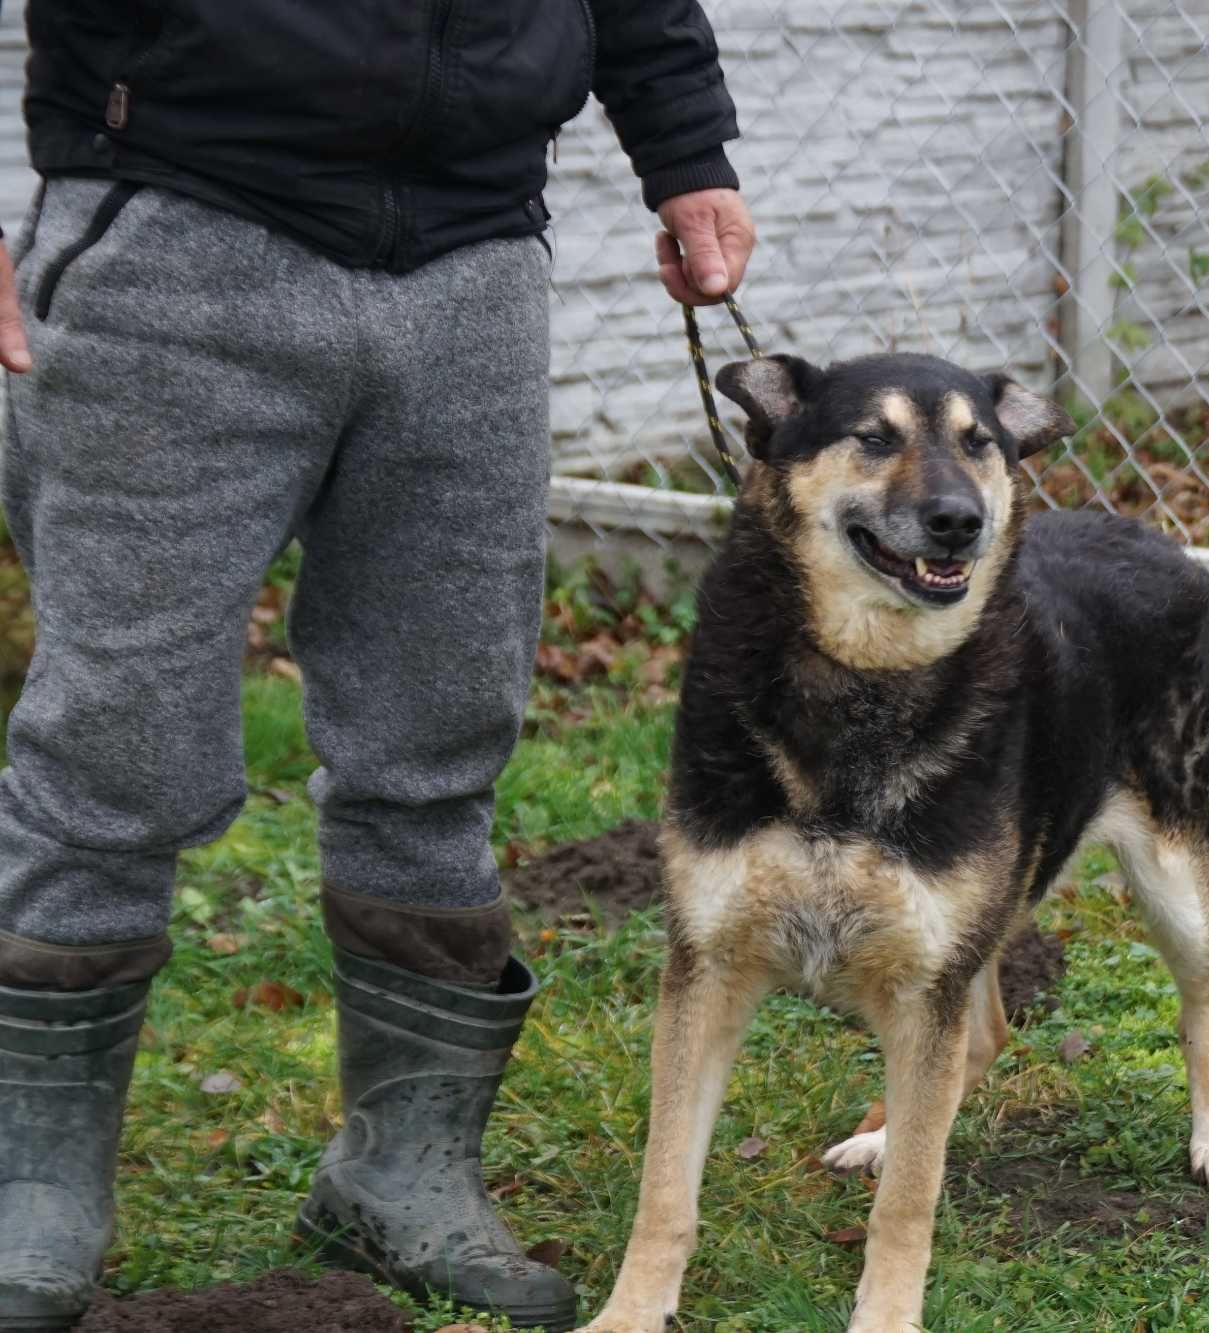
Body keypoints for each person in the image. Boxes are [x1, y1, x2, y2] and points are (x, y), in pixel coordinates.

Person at [0, 4, 755, 1330]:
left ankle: (401, 1174)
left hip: (473, 255)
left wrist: (686, 146)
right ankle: (31, 1182)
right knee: (118, 731)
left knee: (442, 723)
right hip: (174, 228)